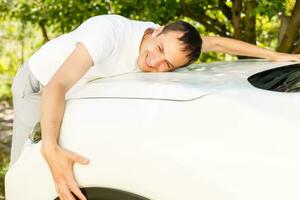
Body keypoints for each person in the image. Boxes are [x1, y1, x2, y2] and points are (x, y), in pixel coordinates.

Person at [9, 14, 300, 200]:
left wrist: (274, 55)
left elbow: (219, 44)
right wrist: (49, 147)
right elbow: (56, 87)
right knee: (28, 174)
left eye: (167, 65)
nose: (155, 62)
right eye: (159, 50)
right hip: (39, 85)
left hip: (77, 87)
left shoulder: (173, 43)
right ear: (156, 30)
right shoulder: (107, 34)